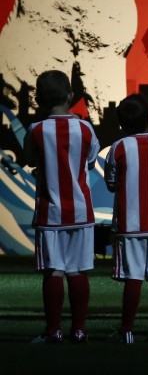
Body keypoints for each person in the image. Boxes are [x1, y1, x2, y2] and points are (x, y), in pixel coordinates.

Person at [22, 69, 101, 344]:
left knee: (53, 271)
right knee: (77, 270)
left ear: (38, 100)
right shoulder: (85, 128)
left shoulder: (36, 130)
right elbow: (91, 161)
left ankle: (53, 330)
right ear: (70, 95)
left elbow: (30, 160)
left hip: (50, 212)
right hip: (80, 211)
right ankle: (79, 330)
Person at [104, 93, 148, 344]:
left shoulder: (119, 147)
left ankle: (127, 331)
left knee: (133, 278)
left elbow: (111, 183)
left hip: (130, 223)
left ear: (122, 124)